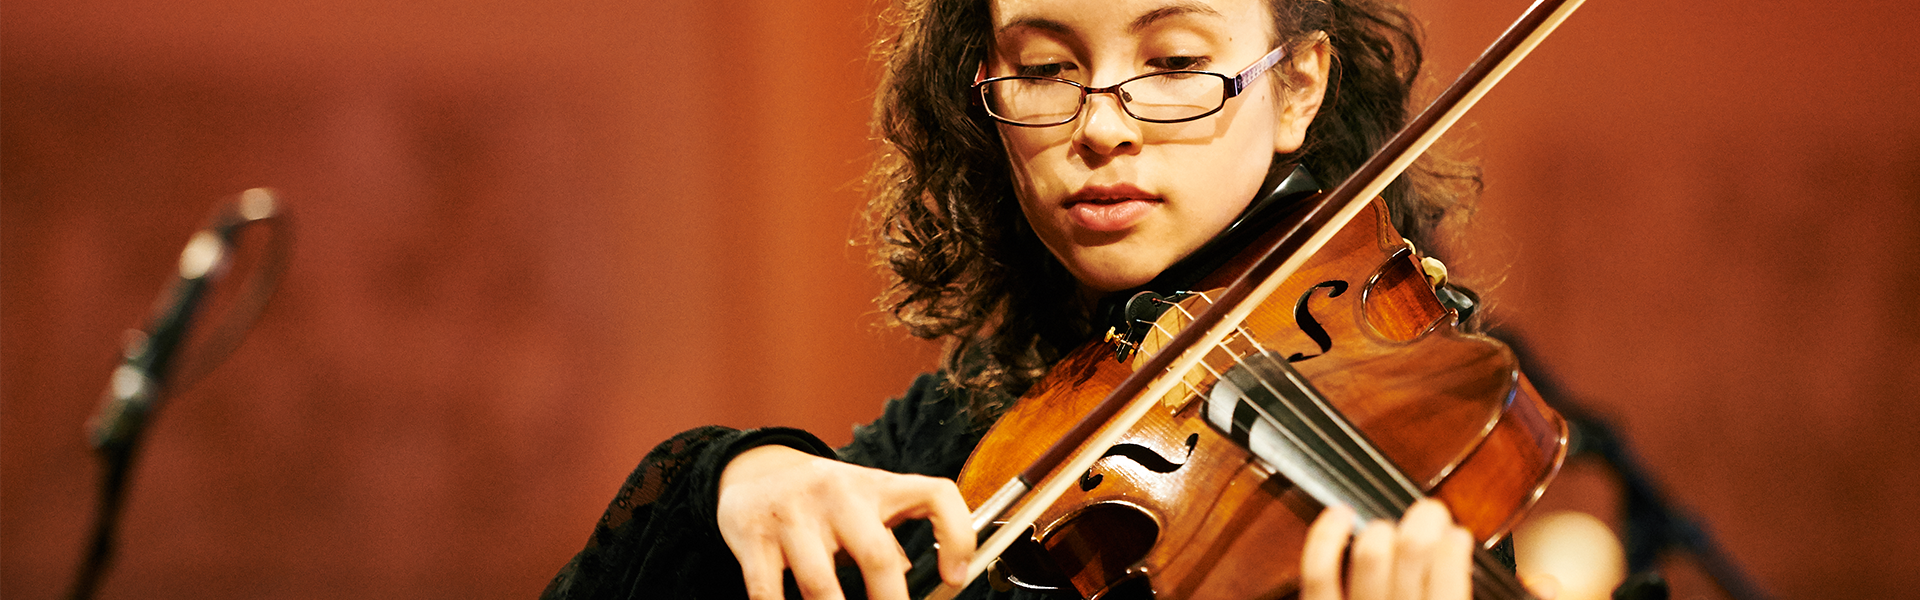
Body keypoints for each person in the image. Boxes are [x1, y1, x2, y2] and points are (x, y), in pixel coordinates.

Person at [543, 0, 1557, 598]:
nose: (1102, 126)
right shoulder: (983, 419)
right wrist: (742, 481)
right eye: (1043, 68)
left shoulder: (1411, 410)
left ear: (1298, 86)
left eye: (1172, 63)